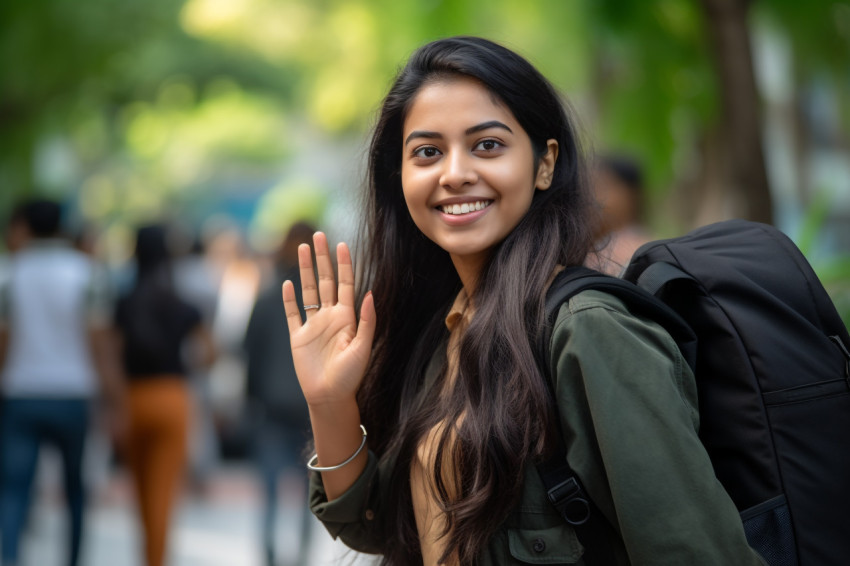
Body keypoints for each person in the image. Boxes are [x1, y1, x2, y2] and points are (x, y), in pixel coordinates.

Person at [281, 36, 766, 565]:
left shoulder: (588, 331)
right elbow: (379, 524)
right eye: (427, 152)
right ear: (399, 178)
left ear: (545, 163)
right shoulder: (445, 331)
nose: (455, 172)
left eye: (487, 145)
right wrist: (330, 402)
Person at [0, 199, 123, 566]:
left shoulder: (11, 273)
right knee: (75, 490)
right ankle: (72, 558)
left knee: (15, 489)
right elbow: (99, 342)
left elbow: (3, 341)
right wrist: (113, 398)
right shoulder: (87, 273)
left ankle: (9, 555)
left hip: (21, 392)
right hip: (74, 392)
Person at [113, 224, 216, 566]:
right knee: (164, 493)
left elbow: (111, 355)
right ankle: (157, 560)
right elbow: (210, 353)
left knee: (140, 493)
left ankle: (147, 557)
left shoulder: (124, 302)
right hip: (173, 397)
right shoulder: (182, 304)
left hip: (133, 398)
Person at [243, 221, 316, 566]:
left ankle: (271, 555)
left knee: (271, 491)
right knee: (310, 492)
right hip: (312, 409)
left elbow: (249, 352)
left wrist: (251, 398)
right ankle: (299, 555)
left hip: (272, 407)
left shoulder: (269, 295)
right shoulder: (326, 301)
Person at [589, 154, 652, 276]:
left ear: (631, 195)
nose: (593, 197)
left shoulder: (635, 250)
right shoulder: (594, 246)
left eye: (602, 187)